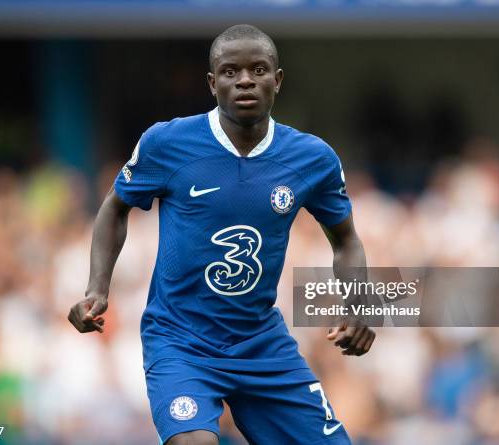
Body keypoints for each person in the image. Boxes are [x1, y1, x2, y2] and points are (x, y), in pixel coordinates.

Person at [68, 24, 375, 445]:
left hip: (261, 343)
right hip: (180, 341)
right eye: (231, 72)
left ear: (277, 80)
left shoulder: (312, 158)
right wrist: (97, 288)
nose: (245, 79)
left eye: (259, 69)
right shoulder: (167, 143)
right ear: (213, 84)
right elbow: (114, 208)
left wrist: (359, 304)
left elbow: (346, 240)